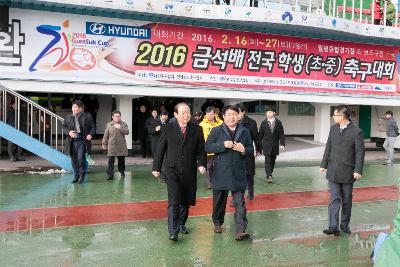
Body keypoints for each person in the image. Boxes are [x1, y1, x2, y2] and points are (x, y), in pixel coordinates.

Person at [152, 102, 206, 241]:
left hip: (189, 169)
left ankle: (181, 223)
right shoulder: (168, 128)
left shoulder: (197, 129)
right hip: (172, 169)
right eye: (183, 113)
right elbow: (161, 148)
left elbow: (201, 149)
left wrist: (201, 164)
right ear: (175, 114)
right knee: (174, 200)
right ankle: (173, 231)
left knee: (186, 200)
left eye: (188, 112)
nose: (186, 115)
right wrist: (156, 168)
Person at [205, 105, 254, 241]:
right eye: (229, 114)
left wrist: (243, 149)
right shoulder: (216, 130)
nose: (232, 117)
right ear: (224, 116)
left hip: (238, 172)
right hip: (221, 172)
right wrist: (222, 145)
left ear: (238, 116)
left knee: (239, 203)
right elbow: (207, 146)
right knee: (219, 202)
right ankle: (218, 223)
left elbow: (251, 149)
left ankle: (240, 230)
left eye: (234, 114)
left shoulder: (244, 131)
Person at [320, 105, 365, 236]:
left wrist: (358, 170)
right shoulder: (333, 129)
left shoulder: (356, 131)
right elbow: (328, 147)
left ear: (343, 116)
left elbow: (360, 153)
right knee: (333, 199)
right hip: (333, 170)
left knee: (346, 200)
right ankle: (333, 227)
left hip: (348, 172)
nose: (333, 117)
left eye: (335, 115)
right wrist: (323, 164)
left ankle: (344, 225)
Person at [63, 100, 95, 184]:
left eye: (75, 107)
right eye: (73, 107)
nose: (73, 109)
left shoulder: (88, 116)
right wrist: (69, 132)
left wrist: (90, 134)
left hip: (82, 141)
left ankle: (82, 175)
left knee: (80, 158)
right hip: (72, 141)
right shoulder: (68, 117)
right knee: (73, 160)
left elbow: (93, 127)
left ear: (81, 108)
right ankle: (76, 175)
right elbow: (64, 127)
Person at [237, 104, 262, 200]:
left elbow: (256, 138)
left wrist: (259, 149)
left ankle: (250, 193)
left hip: (248, 152)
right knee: (237, 175)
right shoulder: (232, 122)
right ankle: (238, 197)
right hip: (235, 153)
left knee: (249, 175)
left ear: (243, 112)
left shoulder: (251, 123)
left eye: (238, 113)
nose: (236, 115)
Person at [259, 105, 285, 183]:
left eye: (270, 112)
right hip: (266, 145)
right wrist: (258, 145)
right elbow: (260, 135)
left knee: (273, 160)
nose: (268, 114)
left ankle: (270, 173)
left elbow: (281, 134)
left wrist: (282, 143)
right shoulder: (263, 123)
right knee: (267, 160)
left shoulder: (278, 122)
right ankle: (269, 175)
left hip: (275, 145)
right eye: (267, 112)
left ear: (274, 113)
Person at [199, 106, 223, 189]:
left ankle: (219, 181)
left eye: (211, 114)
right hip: (208, 149)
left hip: (219, 148)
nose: (209, 116)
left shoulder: (221, 123)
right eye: (208, 114)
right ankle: (210, 183)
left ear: (214, 114)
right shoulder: (201, 124)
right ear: (205, 114)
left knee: (219, 166)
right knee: (209, 167)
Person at [102, 110, 129, 180]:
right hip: (112, 145)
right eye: (116, 116)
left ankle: (122, 171)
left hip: (121, 145)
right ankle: (110, 175)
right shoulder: (109, 125)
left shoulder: (124, 124)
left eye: (119, 116)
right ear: (112, 117)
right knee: (110, 161)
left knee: (121, 160)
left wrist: (119, 128)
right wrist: (104, 144)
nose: (118, 118)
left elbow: (127, 132)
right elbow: (106, 135)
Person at [148, 111, 169, 182]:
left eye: (166, 116)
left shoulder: (168, 123)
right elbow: (149, 131)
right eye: (164, 116)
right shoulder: (154, 122)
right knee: (157, 159)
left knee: (164, 160)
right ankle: (157, 172)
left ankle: (163, 176)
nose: (165, 117)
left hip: (165, 145)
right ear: (160, 116)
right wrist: (155, 129)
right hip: (156, 144)